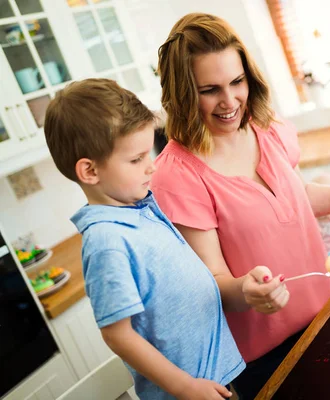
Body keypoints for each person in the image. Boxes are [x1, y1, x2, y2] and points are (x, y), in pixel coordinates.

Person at [152, 13, 330, 399]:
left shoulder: (264, 127)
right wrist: (247, 291)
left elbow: (295, 199)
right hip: (269, 360)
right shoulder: (176, 176)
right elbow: (213, 281)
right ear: (182, 94)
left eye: (237, 82)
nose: (230, 102)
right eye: (210, 89)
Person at [43, 78, 246, 400]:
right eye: (136, 160)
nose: (151, 167)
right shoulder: (107, 240)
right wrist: (184, 386)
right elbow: (118, 335)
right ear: (90, 171)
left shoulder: (138, 210)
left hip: (217, 377)